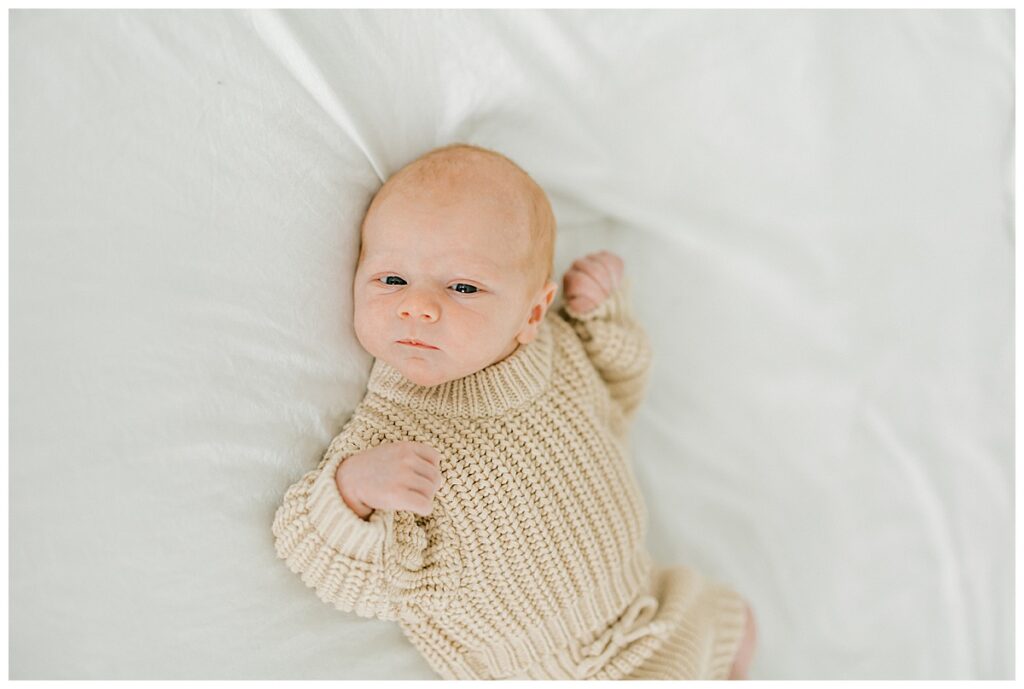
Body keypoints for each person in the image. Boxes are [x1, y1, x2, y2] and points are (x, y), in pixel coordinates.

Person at [271, 142, 757, 680]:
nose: (418, 305)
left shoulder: (554, 349)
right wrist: (350, 493)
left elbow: (620, 393)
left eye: (462, 287)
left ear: (533, 312)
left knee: (739, 627)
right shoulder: (390, 439)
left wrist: (604, 316)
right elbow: (330, 566)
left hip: (652, 600)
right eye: (391, 280)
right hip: (556, 670)